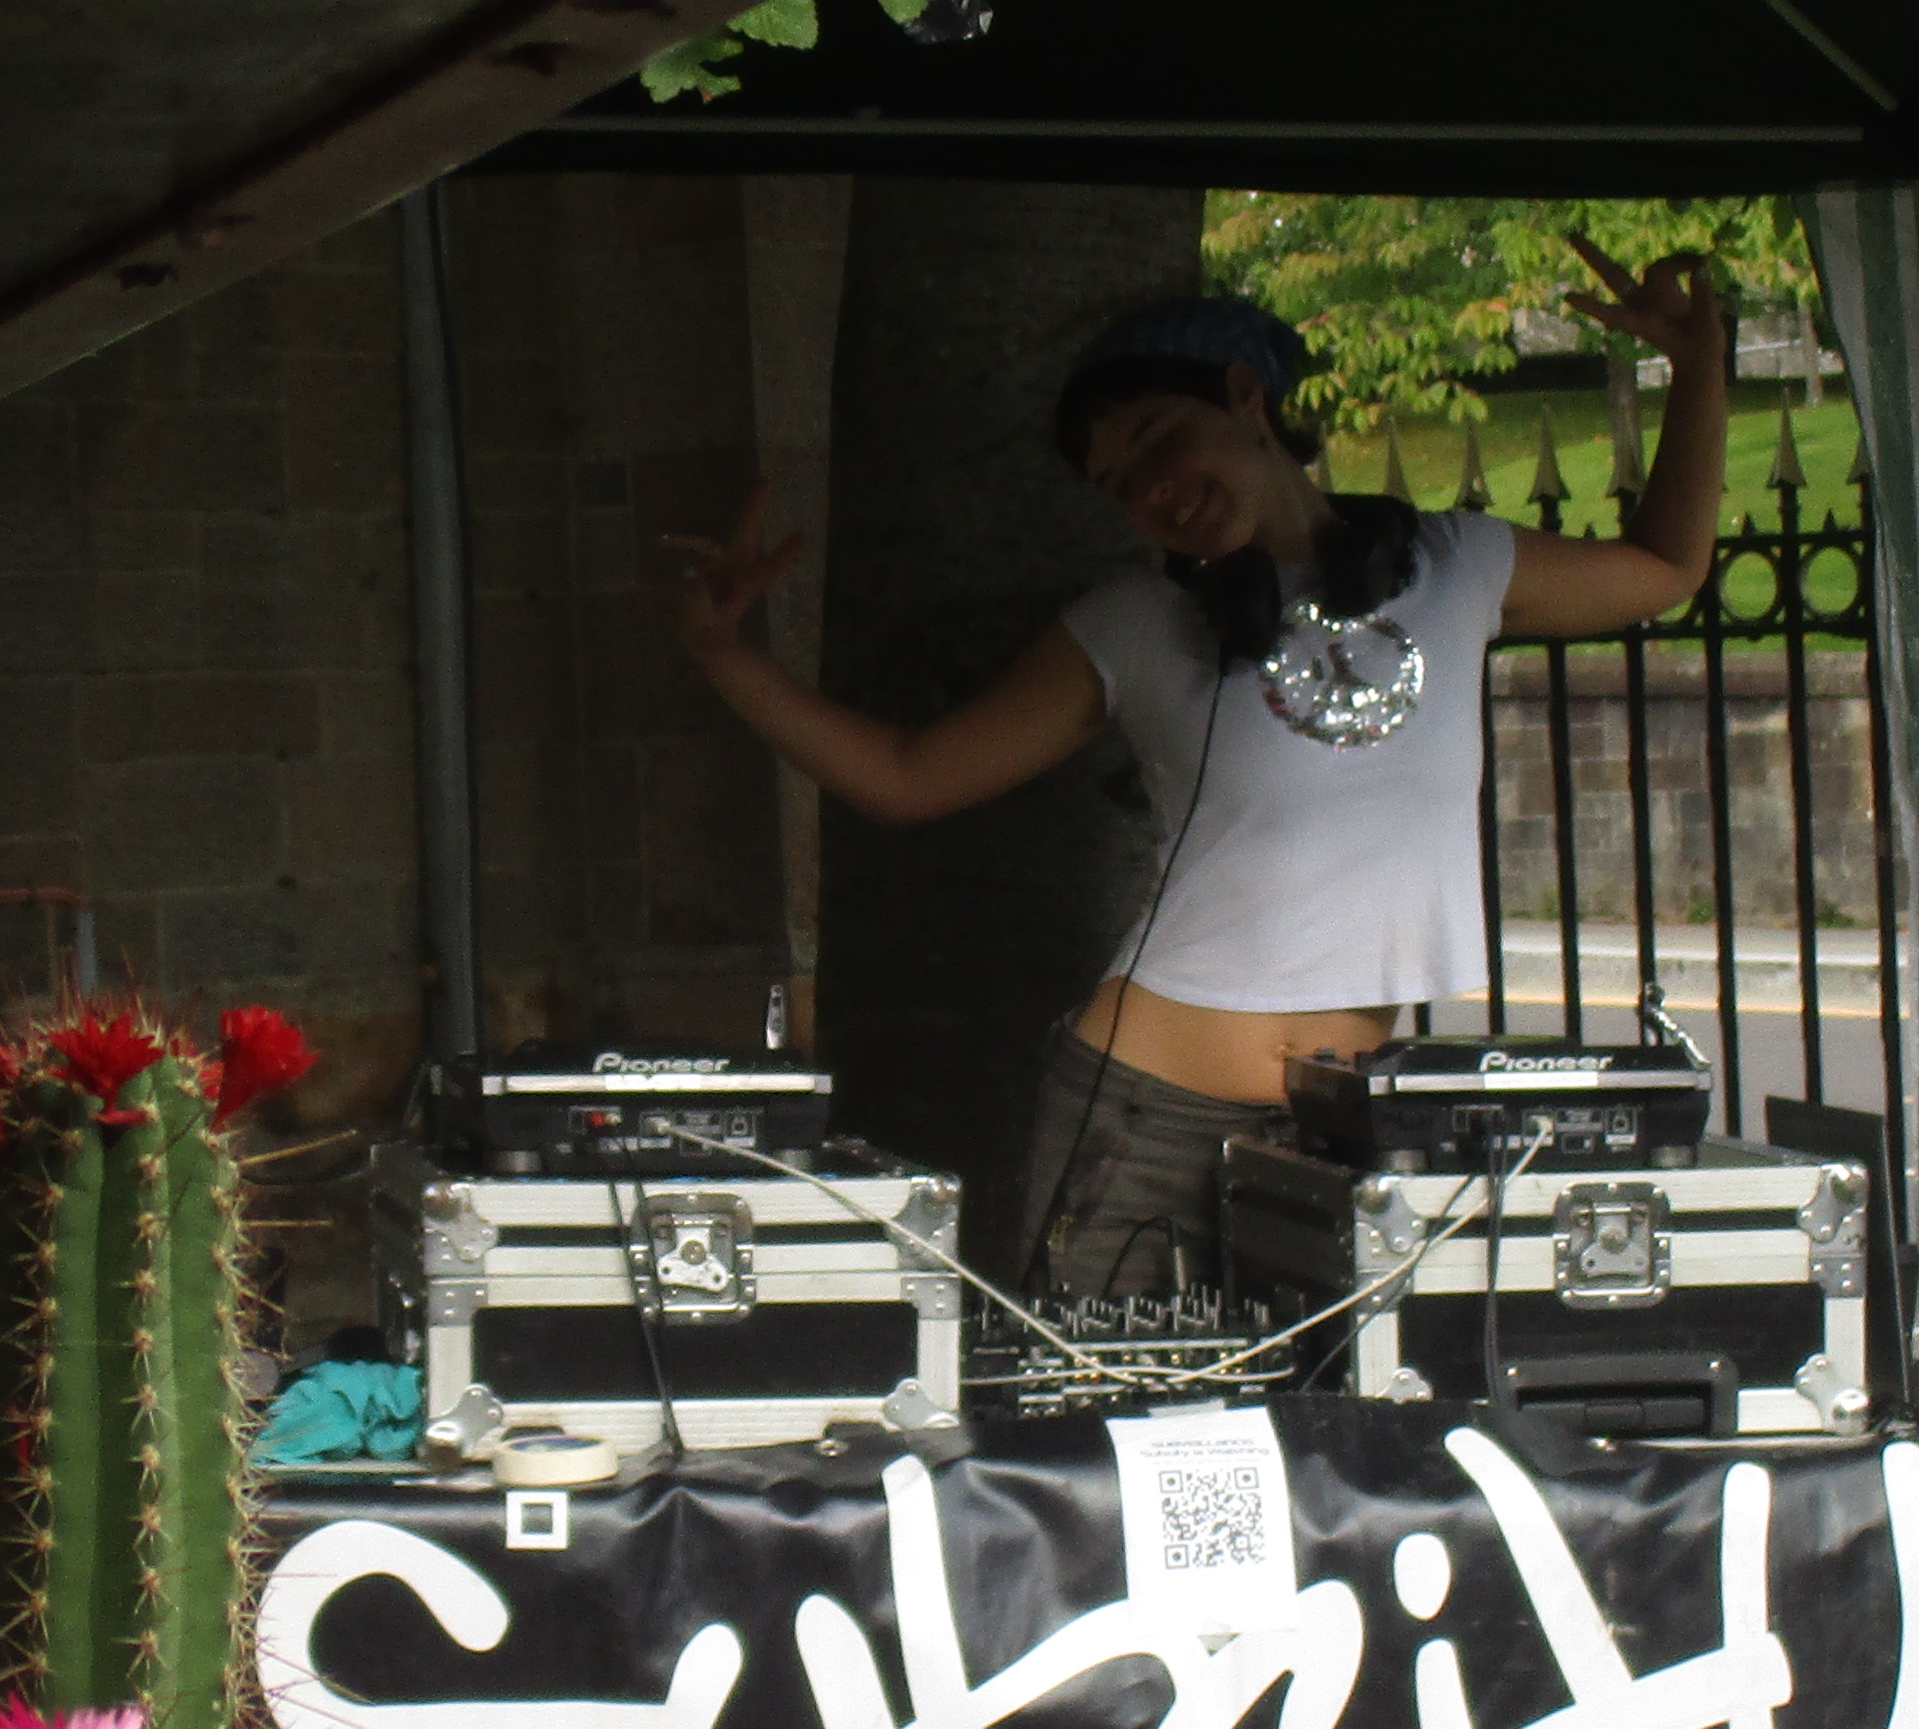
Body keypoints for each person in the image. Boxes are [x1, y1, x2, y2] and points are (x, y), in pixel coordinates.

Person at [667, 256, 1738, 1291]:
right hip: (1144, 1118)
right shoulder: (1139, 623)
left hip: (1345, 1122)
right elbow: (907, 777)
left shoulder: (1456, 568)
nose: (1152, 489)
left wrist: (1698, 365)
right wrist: (725, 656)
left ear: (1244, 396)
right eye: (1119, 484)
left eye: (1156, 439)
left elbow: (1665, 568)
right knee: (1115, 1406)